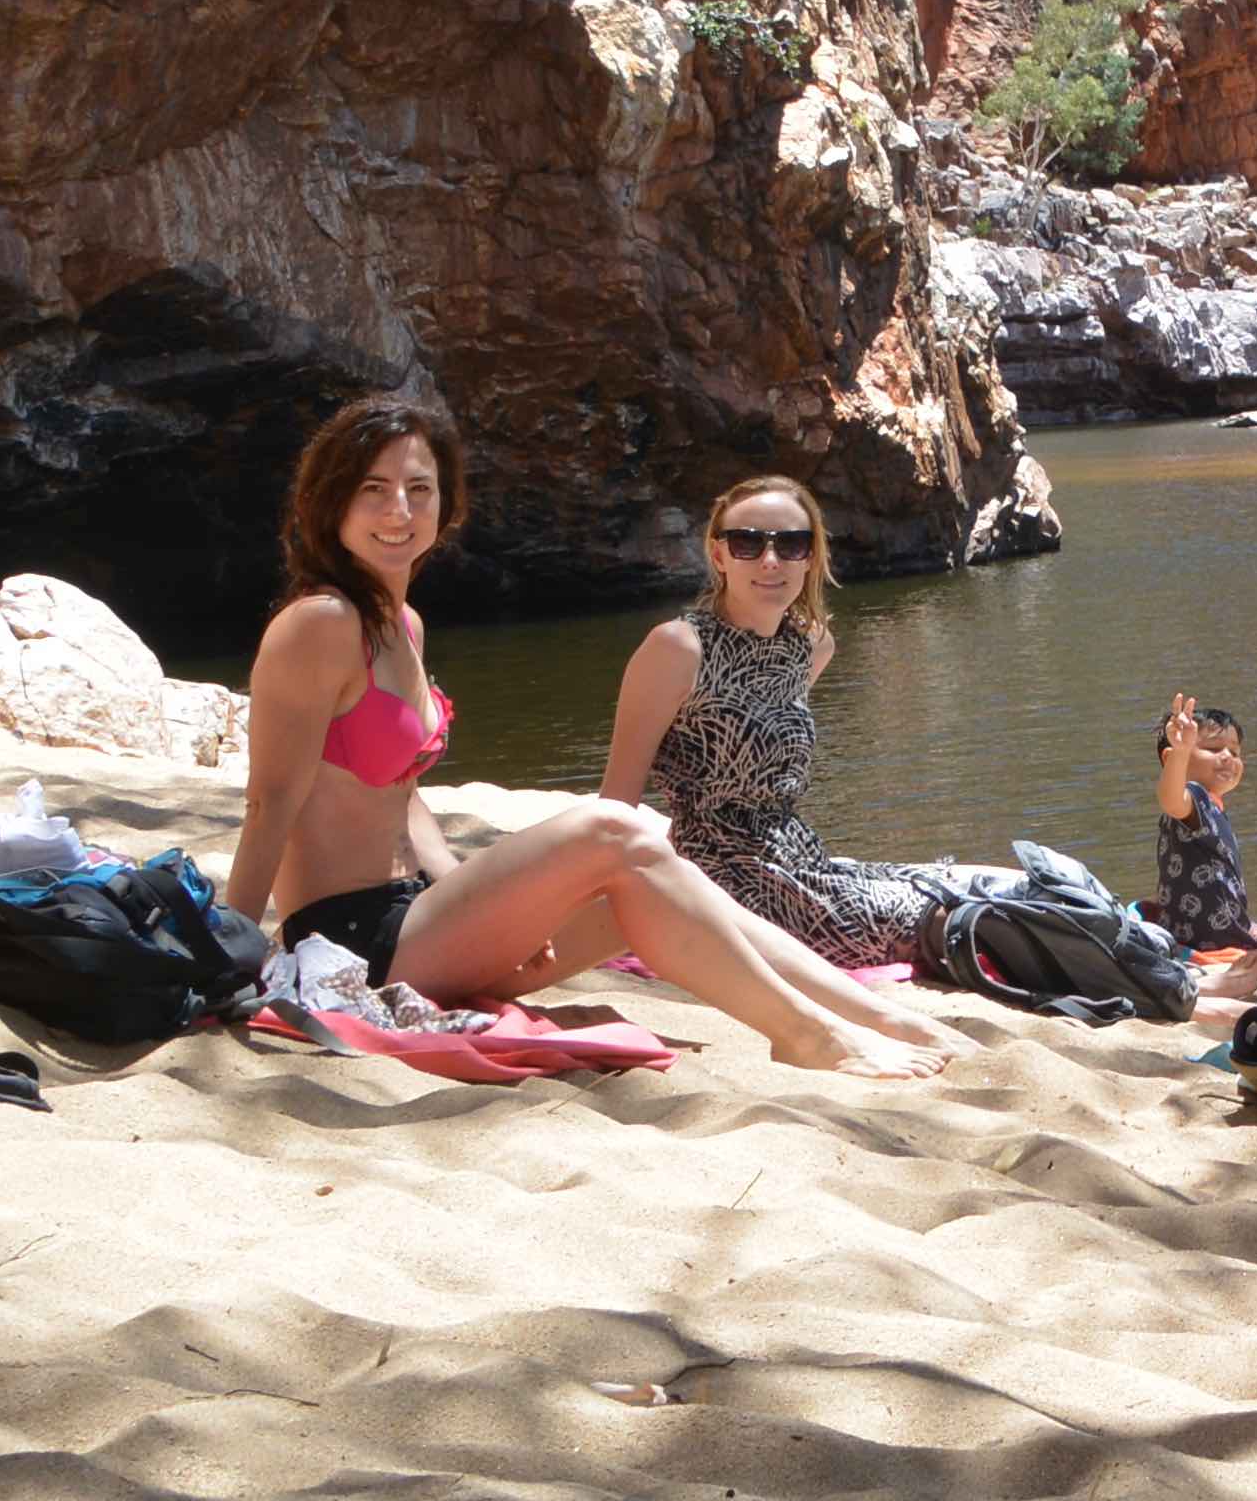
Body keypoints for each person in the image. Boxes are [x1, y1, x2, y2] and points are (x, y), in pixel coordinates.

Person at [223, 395, 955, 1078]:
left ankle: (874, 1015)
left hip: (422, 918)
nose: (400, 509)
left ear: (445, 503)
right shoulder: (319, 622)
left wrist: (493, 907)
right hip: (355, 939)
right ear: (331, 502)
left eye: (420, 488)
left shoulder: (401, 624)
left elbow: (400, 797)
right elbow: (269, 805)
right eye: (373, 489)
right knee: (615, 826)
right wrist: (225, 954)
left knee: (658, 883)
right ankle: (808, 1035)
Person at [596, 473, 979, 968]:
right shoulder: (677, 648)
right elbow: (616, 801)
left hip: (799, 855)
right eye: (747, 543)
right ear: (719, 557)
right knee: (929, 925)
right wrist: (612, 908)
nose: (771, 560)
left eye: (792, 544)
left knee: (954, 889)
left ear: (811, 556)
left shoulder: (812, 646)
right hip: (713, 871)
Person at [1156, 689, 1257, 994]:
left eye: (1234, 752)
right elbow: (1171, 800)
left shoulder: (1212, 806)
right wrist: (1181, 751)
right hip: (1205, 940)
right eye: (1213, 748)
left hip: (1217, 929)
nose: (1227, 757)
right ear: (1171, 759)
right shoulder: (1191, 798)